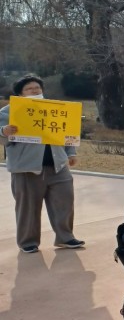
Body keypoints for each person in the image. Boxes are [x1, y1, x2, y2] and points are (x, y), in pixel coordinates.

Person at [0, 74, 85, 253]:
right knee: (28, 207)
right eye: (29, 89)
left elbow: (66, 131)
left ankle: (65, 237)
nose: (34, 91)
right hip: (26, 168)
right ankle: (28, 242)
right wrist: (4, 131)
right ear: (20, 94)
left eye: (37, 88)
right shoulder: (8, 111)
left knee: (65, 201)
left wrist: (70, 153)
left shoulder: (55, 109)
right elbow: (2, 137)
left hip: (58, 165)